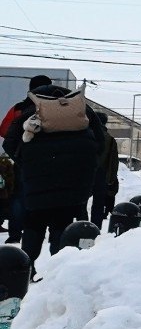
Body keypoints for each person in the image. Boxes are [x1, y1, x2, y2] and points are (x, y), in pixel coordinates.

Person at [7, 85, 116, 261]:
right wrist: (85, 165)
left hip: (37, 182)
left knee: (34, 224)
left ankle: (27, 268)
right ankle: (57, 268)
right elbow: (100, 141)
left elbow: (9, 142)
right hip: (72, 182)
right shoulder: (82, 109)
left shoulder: (31, 111)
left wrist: (26, 163)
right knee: (62, 224)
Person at [0, 76, 46, 244]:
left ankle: (15, 233)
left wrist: (17, 153)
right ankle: (39, 230)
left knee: (19, 196)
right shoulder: (57, 110)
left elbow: (4, 130)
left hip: (24, 159)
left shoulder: (19, 108)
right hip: (49, 160)